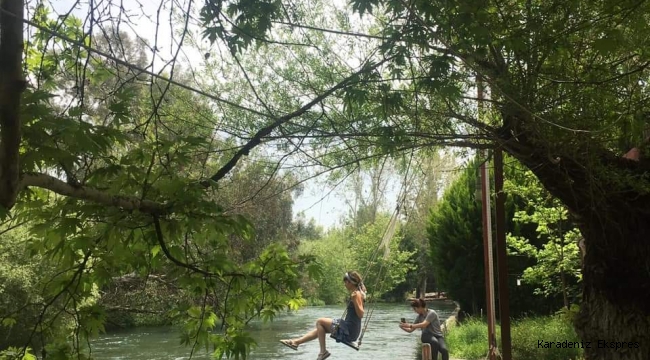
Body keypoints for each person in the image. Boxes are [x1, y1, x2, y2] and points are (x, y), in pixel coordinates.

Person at [280, 271, 366, 360]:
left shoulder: (356, 295)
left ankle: (323, 352)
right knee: (321, 328)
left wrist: (354, 300)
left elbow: (361, 314)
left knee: (320, 322)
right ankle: (296, 342)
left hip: (349, 330)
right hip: (350, 329)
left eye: (345, 282)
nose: (344, 284)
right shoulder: (358, 292)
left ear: (350, 282)